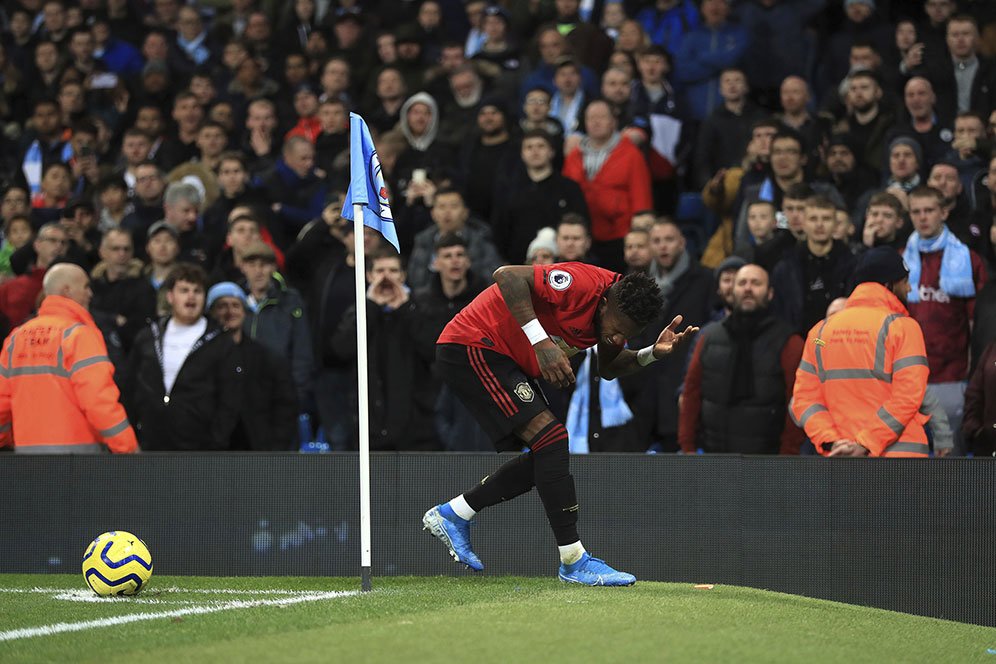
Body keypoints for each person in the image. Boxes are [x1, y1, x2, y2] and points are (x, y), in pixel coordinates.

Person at [424, 262, 698, 585]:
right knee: (552, 440)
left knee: (548, 451)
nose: (616, 337)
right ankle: (574, 561)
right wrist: (542, 344)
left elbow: (608, 368)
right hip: (472, 343)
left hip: (505, 358)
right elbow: (506, 275)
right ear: (606, 301)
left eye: (627, 335)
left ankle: (455, 514)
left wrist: (651, 354)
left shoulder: (616, 317)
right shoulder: (580, 284)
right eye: (617, 328)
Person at [791, 247, 930, 457]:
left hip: (841, 461)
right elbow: (908, 396)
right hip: (900, 460)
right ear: (888, 285)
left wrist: (832, 441)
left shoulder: (819, 333)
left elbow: (805, 400)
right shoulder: (903, 328)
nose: (909, 288)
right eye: (904, 281)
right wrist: (866, 443)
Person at [0, 263, 138, 454]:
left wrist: (7, 441)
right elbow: (98, 400)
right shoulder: (79, 335)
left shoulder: (16, 338)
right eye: (85, 287)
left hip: (27, 460)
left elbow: (2, 403)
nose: (90, 294)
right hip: (78, 464)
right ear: (67, 290)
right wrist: (128, 448)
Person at [680, 264, 804, 454]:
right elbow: (691, 395)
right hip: (714, 456)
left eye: (756, 283)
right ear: (732, 291)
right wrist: (688, 448)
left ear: (770, 293)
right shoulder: (708, 337)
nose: (748, 288)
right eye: (742, 283)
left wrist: (788, 455)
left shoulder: (789, 342)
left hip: (769, 461)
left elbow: (796, 402)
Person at [903, 185, 988, 455]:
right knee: (907, 464)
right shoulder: (899, 261)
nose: (922, 217)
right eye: (916, 212)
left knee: (949, 466)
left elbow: (979, 323)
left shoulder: (968, 260)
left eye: (929, 210)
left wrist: (972, 373)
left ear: (944, 212)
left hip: (951, 376)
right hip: (907, 378)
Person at [123, 263, 240, 451]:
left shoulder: (221, 341)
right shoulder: (147, 337)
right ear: (170, 296)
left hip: (200, 447)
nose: (191, 296)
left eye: (197, 291)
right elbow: (129, 387)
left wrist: (217, 441)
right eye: (184, 290)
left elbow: (230, 398)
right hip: (151, 443)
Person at [206, 282, 299, 451]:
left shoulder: (267, 358)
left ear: (244, 311)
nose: (230, 312)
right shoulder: (201, 357)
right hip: (213, 450)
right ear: (212, 312)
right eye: (222, 306)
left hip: (259, 448)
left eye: (236, 305)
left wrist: (277, 444)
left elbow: (285, 404)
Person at [563, 99, 652, 273]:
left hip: (620, 236)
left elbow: (642, 196)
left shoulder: (631, 154)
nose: (596, 122)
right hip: (584, 238)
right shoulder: (573, 155)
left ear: (614, 121)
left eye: (602, 117)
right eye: (591, 118)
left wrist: (639, 231)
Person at [238, 240, 314, 405]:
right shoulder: (234, 303)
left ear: (273, 268)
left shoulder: (290, 302)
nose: (258, 271)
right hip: (240, 396)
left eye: (264, 265)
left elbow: (302, 351)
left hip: (279, 395)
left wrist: (297, 394)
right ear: (242, 267)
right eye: (252, 264)